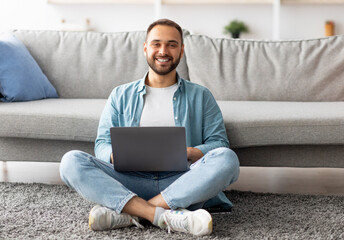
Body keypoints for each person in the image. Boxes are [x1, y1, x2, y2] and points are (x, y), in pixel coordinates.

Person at [60, 18, 240, 237]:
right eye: (156, 44)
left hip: (182, 179)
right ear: (145, 48)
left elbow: (219, 143)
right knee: (71, 161)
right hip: (130, 179)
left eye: (171, 45)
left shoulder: (201, 95)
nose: (163, 51)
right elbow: (101, 144)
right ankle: (164, 216)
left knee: (227, 159)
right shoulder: (120, 95)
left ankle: (132, 212)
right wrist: (115, 156)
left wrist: (190, 152)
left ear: (181, 51)